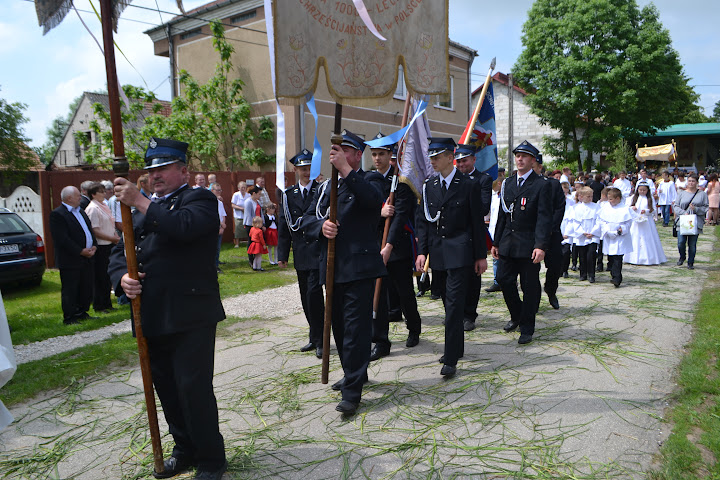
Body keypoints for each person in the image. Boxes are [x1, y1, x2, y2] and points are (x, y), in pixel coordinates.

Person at [109, 138, 227, 480]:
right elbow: (119, 253)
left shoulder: (199, 199)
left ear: (184, 170)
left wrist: (140, 201)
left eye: (163, 168)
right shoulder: (144, 209)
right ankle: (184, 449)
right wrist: (122, 280)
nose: (155, 176)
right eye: (151, 171)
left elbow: (184, 228)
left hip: (190, 313)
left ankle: (210, 459)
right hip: (152, 314)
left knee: (193, 389)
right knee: (167, 389)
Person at [301, 129, 386, 415]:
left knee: (355, 330)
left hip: (358, 268)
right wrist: (320, 228)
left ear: (357, 155)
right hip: (331, 267)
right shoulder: (326, 187)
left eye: (345, 150)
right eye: (335, 150)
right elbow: (306, 218)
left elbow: (374, 201)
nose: (337, 155)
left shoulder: (368, 178)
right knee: (337, 326)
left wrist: (347, 170)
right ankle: (354, 373)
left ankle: (353, 392)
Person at [415, 137, 488, 376]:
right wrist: (422, 252)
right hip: (438, 254)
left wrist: (480, 256)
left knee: (455, 306)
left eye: (438, 157)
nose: (433, 161)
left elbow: (476, 223)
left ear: (450, 157)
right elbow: (424, 222)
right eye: (431, 157)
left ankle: (451, 357)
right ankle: (457, 348)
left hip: (460, 252)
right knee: (447, 303)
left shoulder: (468, 184)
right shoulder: (429, 185)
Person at [491, 140, 552, 345]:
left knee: (530, 286)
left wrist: (540, 245)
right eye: (517, 155)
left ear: (533, 160)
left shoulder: (541, 184)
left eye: (524, 156)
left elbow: (544, 218)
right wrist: (496, 241)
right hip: (508, 242)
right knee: (503, 279)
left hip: (529, 243)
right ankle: (517, 315)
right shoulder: (507, 182)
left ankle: (527, 327)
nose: (519, 159)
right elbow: (502, 215)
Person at [369, 133, 422, 361]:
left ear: (390, 155)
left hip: (396, 247)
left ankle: (414, 327)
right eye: (374, 154)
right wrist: (378, 213)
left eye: (381, 154)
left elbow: (400, 216)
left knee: (404, 291)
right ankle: (381, 341)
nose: (377, 158)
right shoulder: (368, 181)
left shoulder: (401, 182)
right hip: (374, 246)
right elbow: (363, 211)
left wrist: (389, 245)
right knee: (379, 296)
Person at [278, 149, 324, 358]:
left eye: (309, 168)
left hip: (317, 250)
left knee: (314, 295)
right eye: (302, 169)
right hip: (301, 253)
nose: (306, 172)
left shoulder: (321, 190)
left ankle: (321, 338)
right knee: (305, 296)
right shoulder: (288, 195)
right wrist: (282, 254)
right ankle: (313, 337)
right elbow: (283, 225)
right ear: (295, 170)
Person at [454, 143, 492, 330]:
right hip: (452, 236)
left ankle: (469, 315)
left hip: (471, 234)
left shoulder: (482, 179)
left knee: (471, 277)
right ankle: (455, 313)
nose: (461, 164)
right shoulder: (450, 178)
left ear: (474, 159)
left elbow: (483, 207)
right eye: (458, 161)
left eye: (465, 160)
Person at [49, 186, 97, 325]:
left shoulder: (81, 211)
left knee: (85, 286)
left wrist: (94, 245)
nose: (80, 198)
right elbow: (62, 238)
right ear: (69, 198)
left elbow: (89, 230)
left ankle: (82, 312)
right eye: (77, 196)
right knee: (71, 288)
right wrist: (80, 251)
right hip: (70, 259)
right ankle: (70, 317)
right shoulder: (58, 214)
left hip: (87, 257)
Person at [531, 158, 565, 308]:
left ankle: (551, 290)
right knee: (531, 269)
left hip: (551, 232)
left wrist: (550, 228)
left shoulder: (552, 184)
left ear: (540, 167)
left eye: (533, 166)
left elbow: (559, 207)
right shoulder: (524, 185)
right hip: (532, 234)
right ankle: (534, 299)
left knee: (555, 265)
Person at [85, 182, 120, 313]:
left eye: (104, 191)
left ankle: (107, 303)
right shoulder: (93, 208)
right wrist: (112, 238)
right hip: (101, 246)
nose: (104, 194)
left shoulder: (103, 205)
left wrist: (114, 235)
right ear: (93, 194)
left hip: (109, 244)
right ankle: (99, 305)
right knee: (100, 276)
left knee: (107, 275)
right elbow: (95, 230)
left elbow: (110, 223)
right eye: (101, 192)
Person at [624, 180, 666, 265]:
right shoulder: (633, 198)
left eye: (644, 190)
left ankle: (649, 257)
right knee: (635, 238)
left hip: (647, 221)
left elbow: (653, 210)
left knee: (647, 238)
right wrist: (632, 208)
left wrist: (646, 211)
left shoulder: (649, 199)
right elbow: (627, 208)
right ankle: (632, 257)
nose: (642, 192)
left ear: (647, 191)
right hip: (636, 222)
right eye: (640, 190)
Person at [597, 188, 633, 287]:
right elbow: (601, 220)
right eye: (608, 199)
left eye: (611, 199)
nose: (609, 201)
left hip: (619, 237)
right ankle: (613, 274)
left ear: (618, 198)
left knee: (618, 257)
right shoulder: (605, 208)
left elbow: (628, 222)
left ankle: (617, 278)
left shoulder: (625, 209)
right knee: (611, 257)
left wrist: (621, 230)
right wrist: (607, 230)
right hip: (609, 235)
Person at [673, 174, 709, 270]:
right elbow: (676, 206)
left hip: (695, 222)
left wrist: (696, 209)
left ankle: (690, 262)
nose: (691, 183)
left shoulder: (702, 194)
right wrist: (683, 213)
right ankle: (682, 256)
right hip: (682, 221)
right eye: (689, 181)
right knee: (681, 242)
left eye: (693, 181)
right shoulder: (681, 193)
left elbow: (706, 207)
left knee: (692, 244)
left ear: (697, 182)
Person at [570, 187, 601, 283]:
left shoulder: (596, 207)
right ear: (581, 197)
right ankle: (583, 274)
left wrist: (593, 232)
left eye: (591, 196)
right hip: (582, 235)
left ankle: (592, 275)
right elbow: (575, 222)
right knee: (582, 256)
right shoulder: (577, 208)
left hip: (593, 235)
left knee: (591, 255)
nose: (590, 198)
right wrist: (582, 232)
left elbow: (599, 221)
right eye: (588, 196)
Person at [485, 179, 503, 292]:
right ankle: (497, 281)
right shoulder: (494, 197)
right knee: (495, 257)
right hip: (493, 229)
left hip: (502, 231)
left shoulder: (504, 197)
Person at [243, 186, 263, 265]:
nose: (259, 196)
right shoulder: (248, 202)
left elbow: (261, 213)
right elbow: (249, 215)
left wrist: (262, 224)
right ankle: (251, 259)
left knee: (258, 242)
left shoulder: (258, 202)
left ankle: (256, 259)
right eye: (258, 194)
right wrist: (254, 225)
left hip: (258, 225)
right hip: (251, 225)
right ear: (254, 193)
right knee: (251, 242)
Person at [211, 183, 226, 273]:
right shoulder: (210, 202)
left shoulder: (220, 203)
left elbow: (223, 214)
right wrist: (220, 224)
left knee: (218, 248)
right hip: (214, 227)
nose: (219, 192)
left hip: (220, 226)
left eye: (220, 190)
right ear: (212, 191)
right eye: (217, 190)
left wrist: (223, 225)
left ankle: (216, 265)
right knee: (213, 247)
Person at [231, 181, 249, 247]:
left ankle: (248, 242)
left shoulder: (248, 195)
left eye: (244, 187)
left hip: (246, 215)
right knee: (238, 228)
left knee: (247, 228)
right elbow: (233, 205)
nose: (243, 189)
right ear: (238, 188)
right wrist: (241, 208)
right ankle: (237, 243)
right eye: (241, 187)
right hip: (238, 215)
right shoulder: (236, 195)